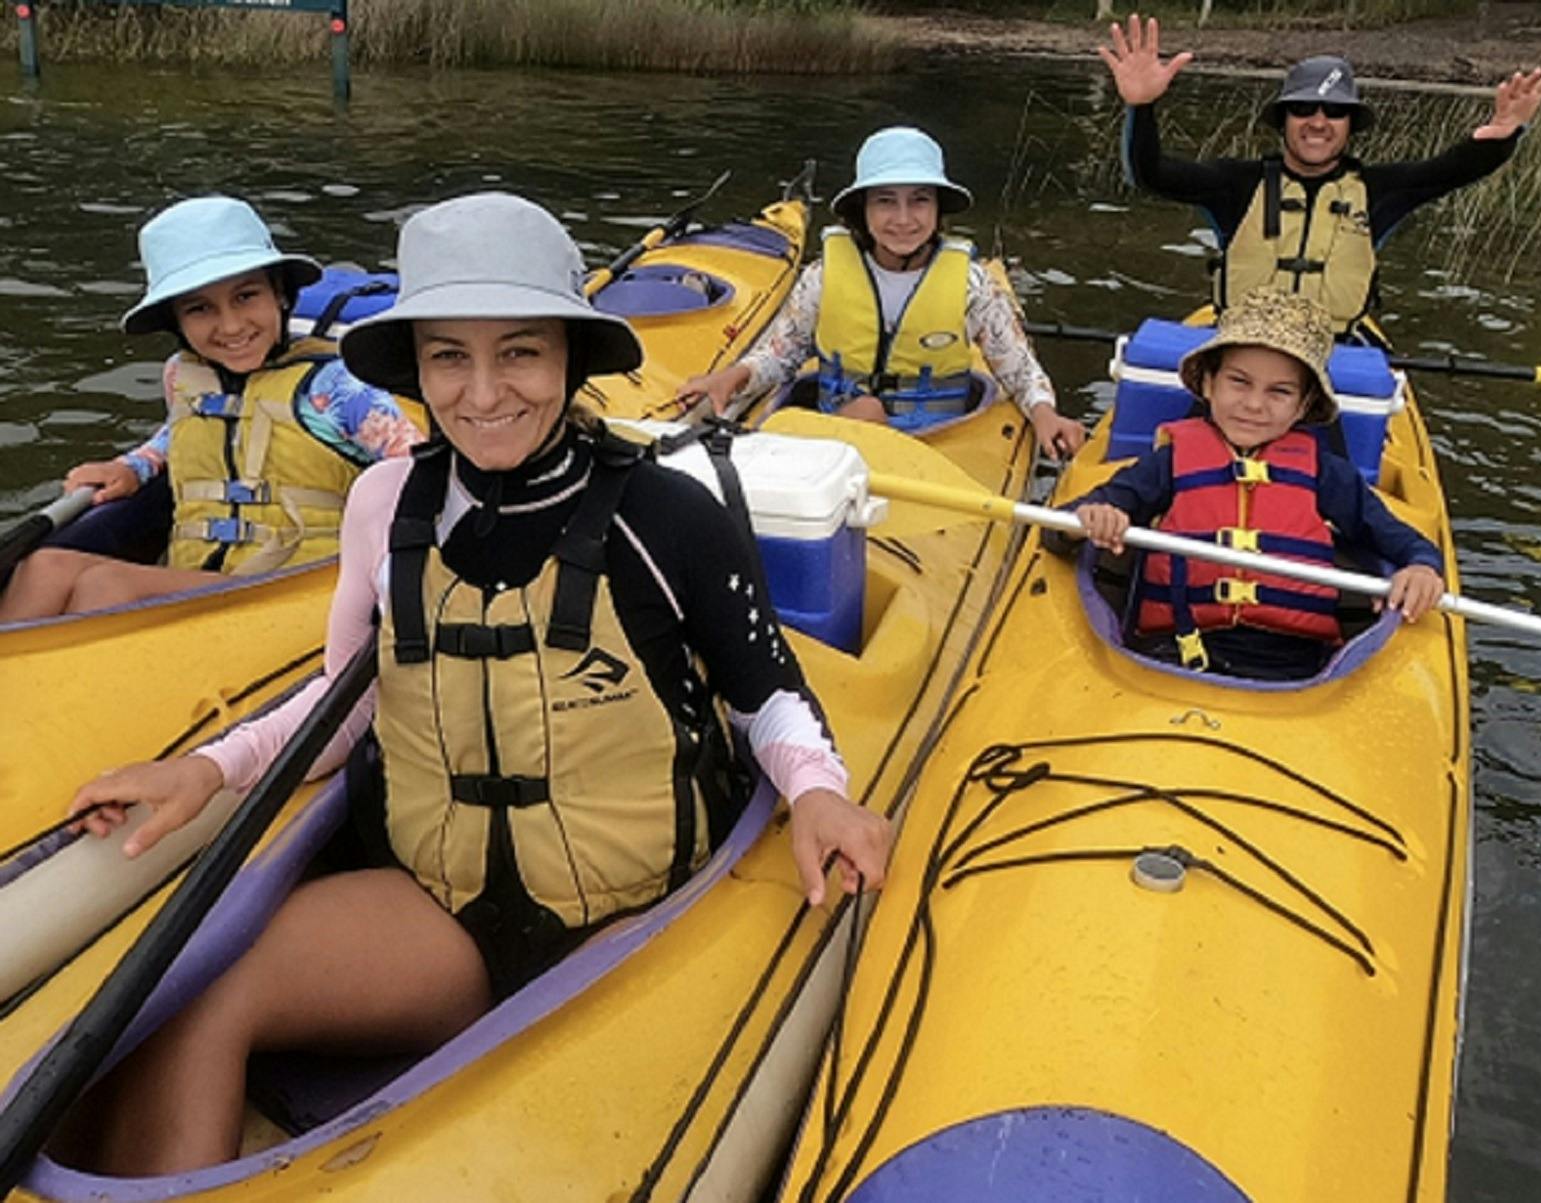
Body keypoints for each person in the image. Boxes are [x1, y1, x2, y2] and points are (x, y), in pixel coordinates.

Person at [60, 192, 892, 1177]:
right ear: (415, 367)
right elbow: (346, 698)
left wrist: (820, 795)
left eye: (521, 352)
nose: (483, 391)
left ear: (571, 360)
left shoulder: (670, 515)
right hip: (438, 913)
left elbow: (765, 688)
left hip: (633, 916)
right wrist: (207, 768)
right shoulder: (382, 502)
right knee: (192, 996)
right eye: (449, 355)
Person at [0, 196, 419, 622]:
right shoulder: (185, 377)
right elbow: (174, 438)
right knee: (43, 566)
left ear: (280, 294)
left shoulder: (338, 388)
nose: (232, 326)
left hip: (294, 590)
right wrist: (134, 468)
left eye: (246, 296)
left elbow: (421, 465)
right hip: (202, 581)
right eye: (200, 309)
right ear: (175, 322)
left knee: (108, 586)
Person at [1064, 288, 1444, 680]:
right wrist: (1097, 516)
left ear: (1302, 405)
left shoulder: (1326, 475)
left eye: (1279, 391)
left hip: (1291, 669)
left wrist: (1422, 567)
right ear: (1209, 384)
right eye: (1239, 382)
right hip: (1173, 651)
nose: (1254, 404)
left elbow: (1402, 541)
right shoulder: (1169, 463)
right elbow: (1068, 523)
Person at [1097, 15, 1541, 336]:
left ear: (1350, 125)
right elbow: (1149, 174)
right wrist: (1141, 106)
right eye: (1303, 108)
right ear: (1283, 120)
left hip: (1331, 354)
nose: (1318, 121)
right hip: (1241, 355)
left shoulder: (1380, 192)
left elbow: (1452, 170)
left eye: (1335, 111)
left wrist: (1503, 134)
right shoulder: (1235, 184)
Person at [677, 126, 1086, 460]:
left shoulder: (972, 285)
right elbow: (781, 355)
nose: (904, 219)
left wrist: (1044, 413)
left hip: (938, 439)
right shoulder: (822, 277)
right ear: (863, 210)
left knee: (870, 412)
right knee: (866, 411)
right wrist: (735, 376)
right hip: (836, 431)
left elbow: (1020, 371)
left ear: (938, 210)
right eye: (886, 201)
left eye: (919, 201)